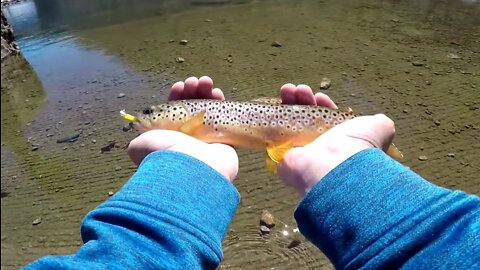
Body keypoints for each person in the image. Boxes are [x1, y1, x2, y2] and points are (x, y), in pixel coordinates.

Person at [25, 76, 479, 269]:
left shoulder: (193, 117)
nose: (143, 117)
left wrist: (180, 172)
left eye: (149, 113)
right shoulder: (196, 118)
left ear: (176, 117)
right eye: (144, 114)